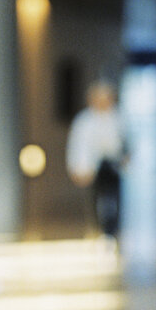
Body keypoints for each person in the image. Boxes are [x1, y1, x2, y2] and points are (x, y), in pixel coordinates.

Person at [65, 80, 127, 237]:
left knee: (115, 198)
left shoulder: (118, 118)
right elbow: (77, 146)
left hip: (113, 164)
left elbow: (126, 142)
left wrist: (125, 158)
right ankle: (98, 229)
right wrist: (77, 167)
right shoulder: (84, 121)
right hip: (92, 167)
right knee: (96, 199)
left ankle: (113, 230)